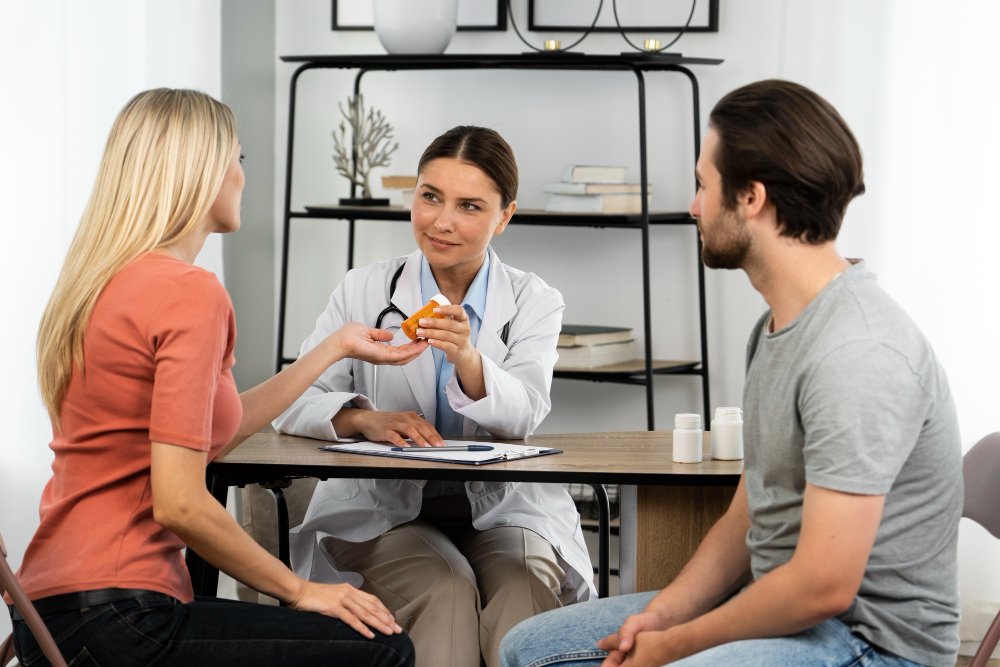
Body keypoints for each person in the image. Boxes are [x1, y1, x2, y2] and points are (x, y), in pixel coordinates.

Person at [499, 79, 962, 667]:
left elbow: (824, 586)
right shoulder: (777, 328)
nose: (693, 206)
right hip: (781, 612)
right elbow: (749, 512)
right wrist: (661, 616)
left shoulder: (858, 351)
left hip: (871, 645)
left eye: (702, 184)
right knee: (528, 649)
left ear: (751, 198)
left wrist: (682, 642)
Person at [10, 88, 423, 667]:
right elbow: (179, 502)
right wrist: (302, 590)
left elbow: (201, 436)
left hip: (51, 612)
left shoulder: (100, 284)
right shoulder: (189, 293)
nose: (242, 177)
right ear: (200, 171)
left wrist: (331, 350)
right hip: (124, 614)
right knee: (380, 647)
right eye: (238, 158)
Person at [273, 125, 595, 667]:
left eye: (470, 206)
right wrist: (362, 420)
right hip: (382, 510)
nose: (442, 221)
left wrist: (469, 359)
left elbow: (524, 412)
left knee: (523, 582)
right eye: (429, 197)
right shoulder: (364, 290)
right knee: (443, 586)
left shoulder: (535, 300)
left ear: (505, 216)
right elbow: (293, 401)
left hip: (506, 507)